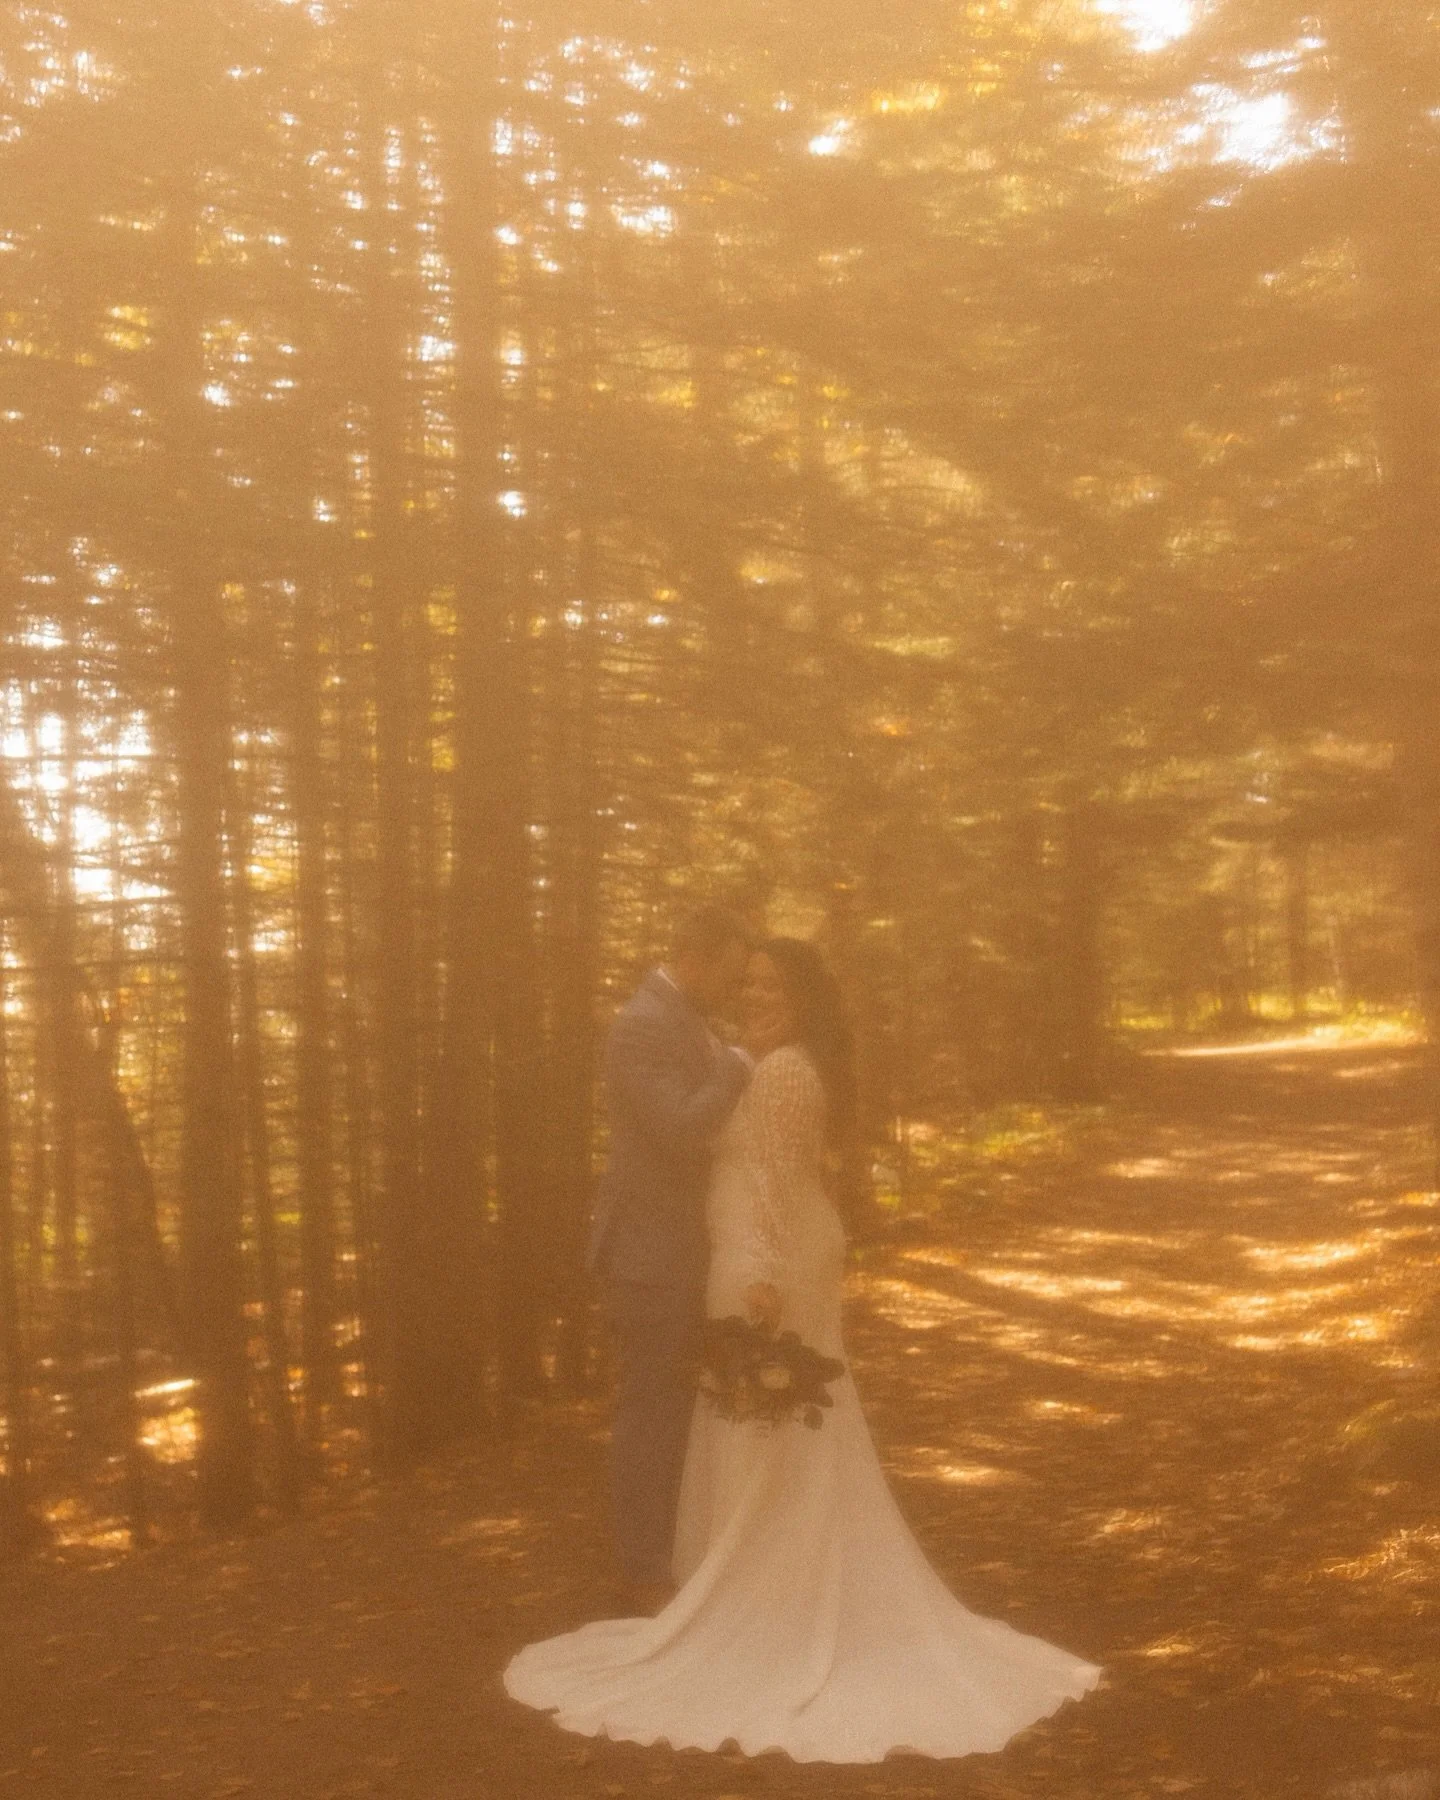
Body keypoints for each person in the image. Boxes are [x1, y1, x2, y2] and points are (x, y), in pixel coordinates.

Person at [505, 936, 1102, 1763]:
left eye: (774, 987)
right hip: (755, 1251)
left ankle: (769, 1596)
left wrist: (761, 1275)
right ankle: (756, 1582)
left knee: (769, 1423)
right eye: (749, 982)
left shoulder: (784, 1070)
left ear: (805, 998)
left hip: (766, 1262)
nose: (756, 996)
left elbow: (776, 1181)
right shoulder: (766, 1060)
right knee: (763, 1423)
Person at [585, 904, 755, 1618]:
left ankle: (669, 1555)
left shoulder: (684, 1019)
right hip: (648, 1252)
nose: (736, 987)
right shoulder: (642, 1024)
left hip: (683, 1247)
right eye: (731, 971)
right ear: (696, 957)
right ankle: (642, 1571)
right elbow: (681, 1127)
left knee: (677, 1407)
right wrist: (737, 1067)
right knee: (650, 1410)